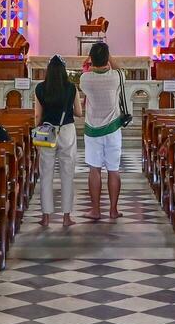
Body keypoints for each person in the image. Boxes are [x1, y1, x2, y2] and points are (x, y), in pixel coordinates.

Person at [78, 41, 125, 220]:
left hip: (92, 129)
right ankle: (113, 210)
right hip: (113, 128)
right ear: (107, 58)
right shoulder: (116, 77)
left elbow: (86, 71)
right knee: (113, 170)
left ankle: (96, 209)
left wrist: (91, 59)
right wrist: (108, 55)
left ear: (92, 59)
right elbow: (119, 69)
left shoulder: (85, 79)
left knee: (94, 170)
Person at [34, 55, 78, 227]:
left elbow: (37, 115)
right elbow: (79, 112)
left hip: (46, 130)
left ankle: (46, 217)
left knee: (46, 174)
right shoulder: (71, 88)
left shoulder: (40, 88)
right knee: (67, 174)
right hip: (66, 129)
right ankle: (66, 217)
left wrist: (35, 130)